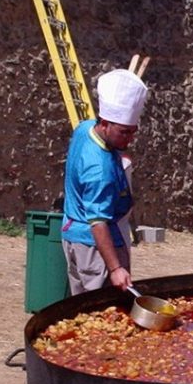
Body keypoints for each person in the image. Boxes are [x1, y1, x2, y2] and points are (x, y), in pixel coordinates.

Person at [61, 68, 148, 294]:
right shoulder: (99, 170)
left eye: (133, 132)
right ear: (105, 123)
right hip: (93, 248)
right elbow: (98, 223)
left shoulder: (84, 128)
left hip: (72, 235)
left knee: (78, 308)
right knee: (102, 308)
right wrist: (116, 268)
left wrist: (118, 152)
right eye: (124, 132)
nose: (130, 139)